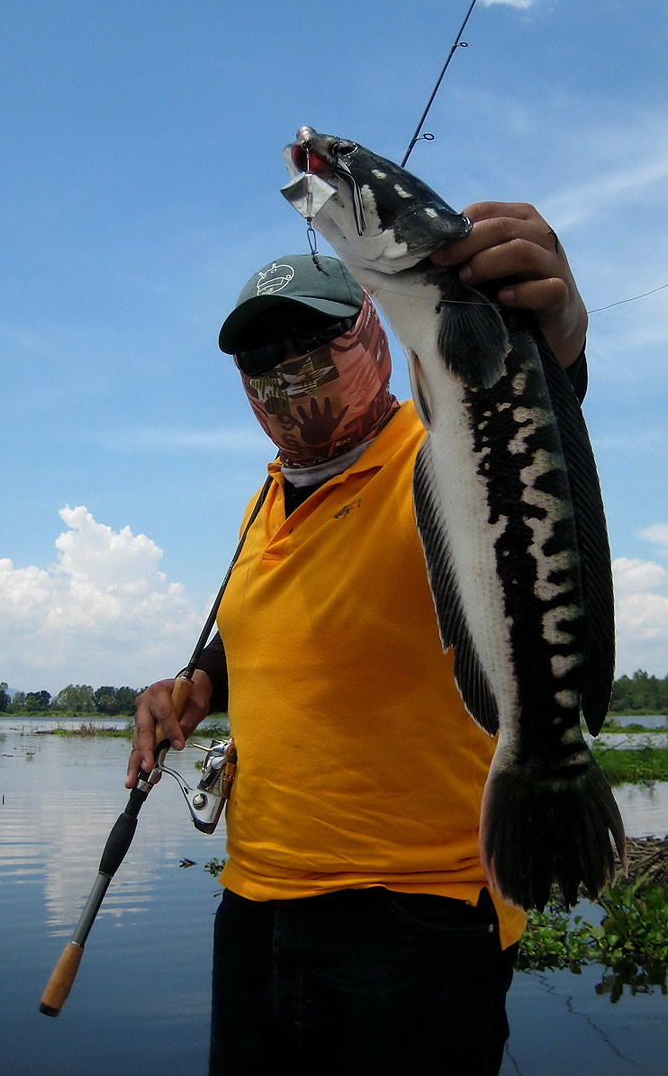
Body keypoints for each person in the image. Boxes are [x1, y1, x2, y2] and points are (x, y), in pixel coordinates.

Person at [127, 201, 590, 1076]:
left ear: (373, 330)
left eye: (309, 341)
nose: (282, 370)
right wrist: (192, 682)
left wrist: (557, 343)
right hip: (256, 906)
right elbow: (284, 636)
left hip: (414, 923)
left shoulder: (436, 444)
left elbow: (519, 451)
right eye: (258, 356)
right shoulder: (267, 496)